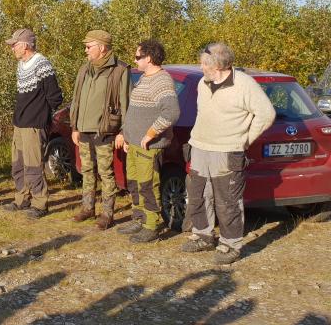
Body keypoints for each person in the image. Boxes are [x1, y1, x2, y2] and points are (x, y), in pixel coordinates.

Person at [181, 43, 275, 264]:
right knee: (198, 195)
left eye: (204, 63)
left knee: (228, 201)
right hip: (200, 148)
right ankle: (203, 236)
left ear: (218, 65)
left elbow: (266, 114)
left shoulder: (244, 84)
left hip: (227, 152)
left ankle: (230, 245)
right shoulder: (202, 83)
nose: (201, 67)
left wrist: (245, 139)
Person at [117, 40, 180, 243]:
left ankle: (151, 226)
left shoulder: (162, 81)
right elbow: (135, 112)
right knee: (134, 183)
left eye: (138, 57)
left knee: (148, 185)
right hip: (133, 144)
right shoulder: (145, 78)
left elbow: (171, 112)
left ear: (149, 58)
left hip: (147, 147)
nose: (134, 60)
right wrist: (125, 134)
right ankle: (139, 218)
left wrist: (151, 133)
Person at [69, 29, 130, 230]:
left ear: (102, 48)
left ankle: (107, 214)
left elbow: (126, 102)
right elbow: (76, 98)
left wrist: (123, 131)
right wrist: (75, 126)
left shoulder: (120, 70)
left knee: (105, 173)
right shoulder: (84, 69)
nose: (86, 50)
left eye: (89, 46)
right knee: (87, 170)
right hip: (83, 129)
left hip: (105, 130)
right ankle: (87, 208)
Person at [3, 28, 63, 219]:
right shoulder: (21, 64)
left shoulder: (42, 63)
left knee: (33, 165)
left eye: (15, 45)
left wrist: (42, 116)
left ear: (25, 45)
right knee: (18, 164)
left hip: (34, 124)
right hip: (20, 123)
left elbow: (55, 97)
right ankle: (22, 199)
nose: (12, 48)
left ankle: (40, 204)